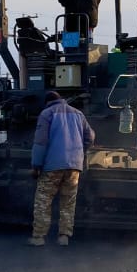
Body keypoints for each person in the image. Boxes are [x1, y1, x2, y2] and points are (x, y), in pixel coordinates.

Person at [28, 91, 95, 246]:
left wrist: (36, 166)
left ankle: (38, 237)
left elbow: (40, 142)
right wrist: (80, 150)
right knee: (68, 201)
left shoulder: (47, 113)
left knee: (43, 200)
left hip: (52, 166)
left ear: (47, 102)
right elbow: (90, 137)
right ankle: (64, 236)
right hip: (74, 166)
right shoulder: (78, 114)